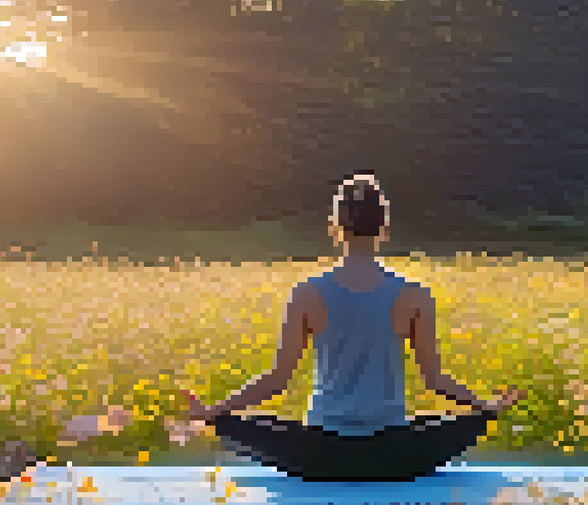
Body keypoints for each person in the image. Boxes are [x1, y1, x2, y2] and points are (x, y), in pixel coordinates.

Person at [181, 173, 525, 480]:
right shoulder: (415, 296)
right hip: (394, 456)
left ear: (335, 228)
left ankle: (216, 418)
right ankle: (478, 416)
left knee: (252, 425)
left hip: (319, 456)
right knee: (447, 422)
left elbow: (277, 381)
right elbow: (435, 381)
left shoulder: (306, 293)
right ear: (384, 229)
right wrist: (485, 406)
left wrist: (214, 412)